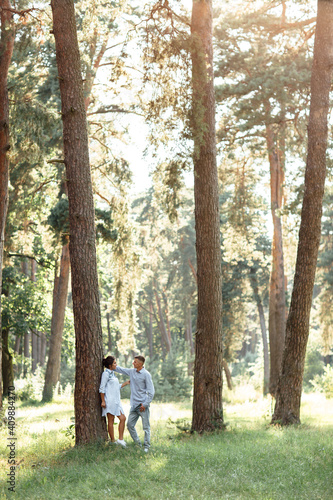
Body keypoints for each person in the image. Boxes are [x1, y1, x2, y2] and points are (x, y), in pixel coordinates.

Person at [115, 355, 155, 452]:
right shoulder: (132, 372)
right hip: (134, 405)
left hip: (142, 406)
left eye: (135, 362)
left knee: (146, 427)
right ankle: (138, 444)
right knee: (129, 425)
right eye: (134, 361)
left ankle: (146, 447)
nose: (133, 363)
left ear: (140, 364)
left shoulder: (146, 374)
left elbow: (151, 391)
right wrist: (108, 363)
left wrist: (145, 404)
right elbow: (121, 369)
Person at [99, 356, 130, 447]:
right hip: (109, 401)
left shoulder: (112, 373)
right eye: (115, 363)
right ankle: (112, 441)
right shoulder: (106, 374)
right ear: (110, 365)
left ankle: (120, 439)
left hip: (117, 401)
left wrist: (126, 383)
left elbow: (115, 387)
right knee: (111, 421)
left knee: (123, 418)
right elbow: (101, 388)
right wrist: (103, 401)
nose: (116, 364)